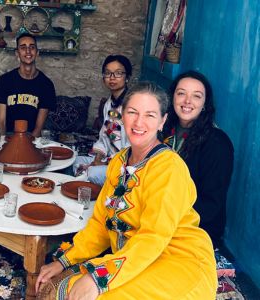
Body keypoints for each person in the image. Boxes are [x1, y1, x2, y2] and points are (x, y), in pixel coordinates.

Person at [35, 82, 217, 299]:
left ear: (162, 121)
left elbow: (153, 238)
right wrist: (63, 261)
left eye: (150, 115)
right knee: (55, 288)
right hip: (135, 258)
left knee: (92, 294)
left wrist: (99, 279)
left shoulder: (169, 168)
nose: (139, 122)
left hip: (176, 260)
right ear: (122, 116)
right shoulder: (119, 162)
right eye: (132, 112)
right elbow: (101, 224)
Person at [162, 70, 234, 247]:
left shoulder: (217, 144)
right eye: (181, 94)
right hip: (160, 217)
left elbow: (210, 205)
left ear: (204, 104)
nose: (187, 101)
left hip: (195, 229)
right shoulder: (163, 131)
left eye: (196, 96)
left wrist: (166, 217)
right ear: (173, 98)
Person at [73, 55, 132, 185]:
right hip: (107, 159)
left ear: (127, 77)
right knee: (76, 162)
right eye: (107, 73)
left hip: (124, 166)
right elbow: (104, 137)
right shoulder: (109, 104)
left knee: (92, 173)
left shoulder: (131, 106)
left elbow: (131, 149)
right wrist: (98, 158)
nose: (112, 77)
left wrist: (103, 163)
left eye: (118, 73)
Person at [0, 32, 56, 137]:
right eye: (23, 47)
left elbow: (38, 128)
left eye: (32, 47)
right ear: (17, 53)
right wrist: (4, 145)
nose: (28, 51)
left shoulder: (46, 84)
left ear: (37, 52)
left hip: (32, 138)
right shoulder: (4, 81)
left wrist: (25, 148)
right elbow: (1, 123)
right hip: (8, 136)